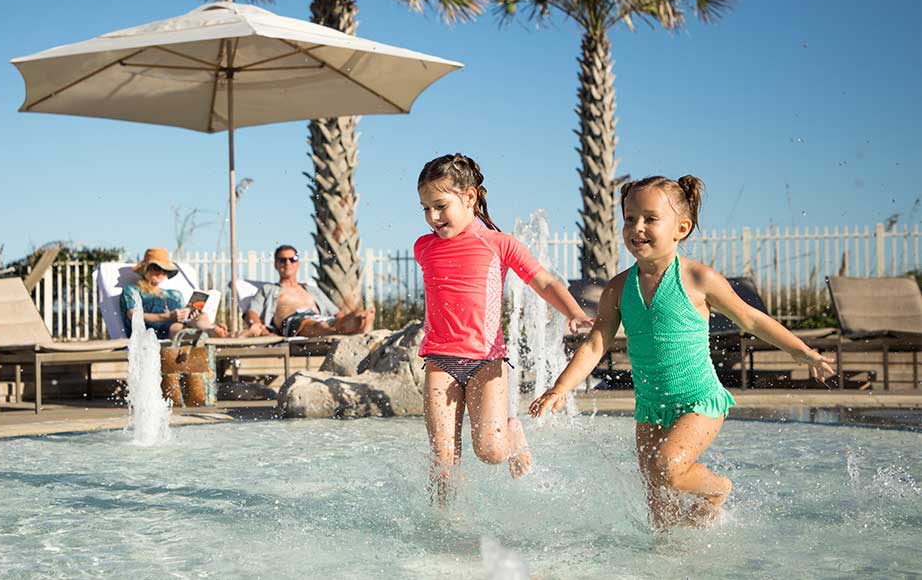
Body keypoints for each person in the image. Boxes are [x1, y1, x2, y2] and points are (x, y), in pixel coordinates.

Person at [529, 175, 836, 529]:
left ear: (681, 228)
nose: (637, 227)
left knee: (668, 469)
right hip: (650, 406)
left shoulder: (697, 279)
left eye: (650, 218)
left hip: (699, 401)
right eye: (629, 218)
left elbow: (751, 320)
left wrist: (804, 353)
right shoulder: (617, 288)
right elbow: (596, 343)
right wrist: (560, 388)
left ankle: (718, 490)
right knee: (659, 506)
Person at [415, 154, 592, 505]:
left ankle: (512, 432)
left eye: (440, 205)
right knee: (444, 460)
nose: (433, 217)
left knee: (491, 451)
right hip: (438, 360)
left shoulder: (499, 244)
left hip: (486, 361)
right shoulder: (424, 247)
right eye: (425, 209)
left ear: (470, 197)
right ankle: (444, 528)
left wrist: (573, 312)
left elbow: (542, 281)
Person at [242, 244, 376, 337]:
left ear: (298, 263)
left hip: (322, 319)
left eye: (292, 259)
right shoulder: (268, 290)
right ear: (276, 264)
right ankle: (338, 332)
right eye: (282, 260)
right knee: (317, 325)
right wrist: (259, 327)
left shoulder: (311, 290)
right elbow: (252, 312)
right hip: (295, 322)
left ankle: (358, 322)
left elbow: (337, 313)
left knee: (354, 315)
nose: (288, 263)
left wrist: (347, 319)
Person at [121, 247, 228, 339]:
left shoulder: (174, 294)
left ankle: (211, 330)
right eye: (157, 268)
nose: (161, 273)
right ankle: (209, 333)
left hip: (182, 326)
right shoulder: (132, 290)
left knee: (202, 316)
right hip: (152, 332)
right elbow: (133, 315)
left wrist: (189, 314)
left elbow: (184, 318)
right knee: (176, 327)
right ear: (146, 269)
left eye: (165, 270)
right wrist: (167, 316)